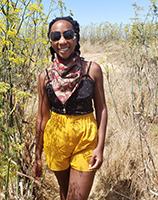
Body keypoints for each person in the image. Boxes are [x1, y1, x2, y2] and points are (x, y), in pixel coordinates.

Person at [32, 16, 108, 200]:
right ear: (50, 41)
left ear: (76, 37)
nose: (62, 41)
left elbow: (102, 109)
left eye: (68, 34)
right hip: (56, 139)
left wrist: (100, 147)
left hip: (85, 138)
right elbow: (42, 119)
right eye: (56, 36)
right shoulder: (45, 76)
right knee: (66, 193)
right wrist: (37, 156)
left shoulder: (92, 70)